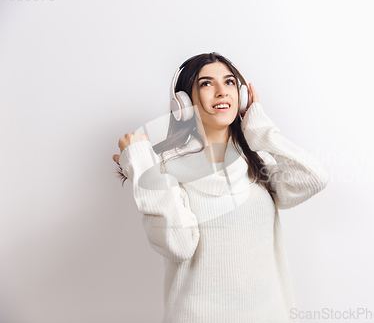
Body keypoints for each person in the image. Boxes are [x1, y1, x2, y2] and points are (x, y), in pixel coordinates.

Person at [112, 52, 328, 322]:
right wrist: (144, 168)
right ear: (183, 103)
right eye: (206, 84)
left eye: (228, 83)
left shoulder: (255, 162)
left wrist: (260, 132)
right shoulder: (165, 167)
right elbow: (179, 245)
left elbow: (313, 178)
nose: (221, 92)